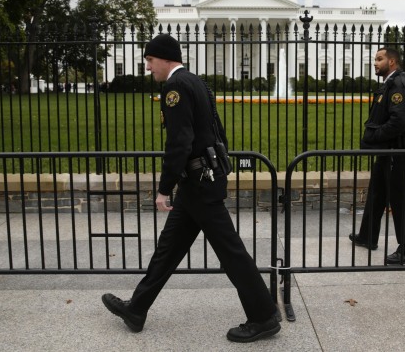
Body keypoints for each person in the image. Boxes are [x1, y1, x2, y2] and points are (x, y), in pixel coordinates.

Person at [101, 33, 280, 343]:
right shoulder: (196, 81)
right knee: (168, 250)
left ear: (166, 58)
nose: (148, 67)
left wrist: (163, 188)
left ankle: (263, 316)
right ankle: (137, 309)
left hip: (198, 184)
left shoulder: (175, 87)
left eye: (150, 60)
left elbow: (180, 142)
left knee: (231, 252)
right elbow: (215, 130)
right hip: (201, 182)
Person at [349, 47, 405, 264]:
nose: (375, 62)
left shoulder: (398, 86)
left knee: (401, 199)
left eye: (379, 59)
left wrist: (373, 137)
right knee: (378, 191)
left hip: (398, 151)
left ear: (392, 62)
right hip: (389, 150)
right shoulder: (391, 84)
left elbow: (399, 122)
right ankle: (367, 236)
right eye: (375, 59)